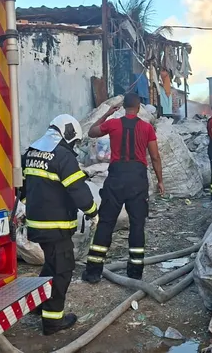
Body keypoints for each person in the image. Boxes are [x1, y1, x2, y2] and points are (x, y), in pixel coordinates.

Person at [23, 114, 98, 335]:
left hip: (36, 223)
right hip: (55, 226)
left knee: (50, 266)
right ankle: (53, 321)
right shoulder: (63, 157)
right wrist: (92, 211)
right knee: (63, 270)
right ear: (68, 134)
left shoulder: (32, 152)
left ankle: (37, 305)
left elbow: (25, 188)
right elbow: (78, 191)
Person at [82, 93, 164, 283]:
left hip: (116, 178)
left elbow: (92, 132)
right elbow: (155, 157)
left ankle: (93, 272)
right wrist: (160, 180)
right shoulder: (147, 128)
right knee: (137, 225)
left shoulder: (113, 124)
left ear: (123, 106)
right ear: (139, 107)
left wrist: (107, 114)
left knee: (105, 223)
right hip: (137, 179)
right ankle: (135, 272)